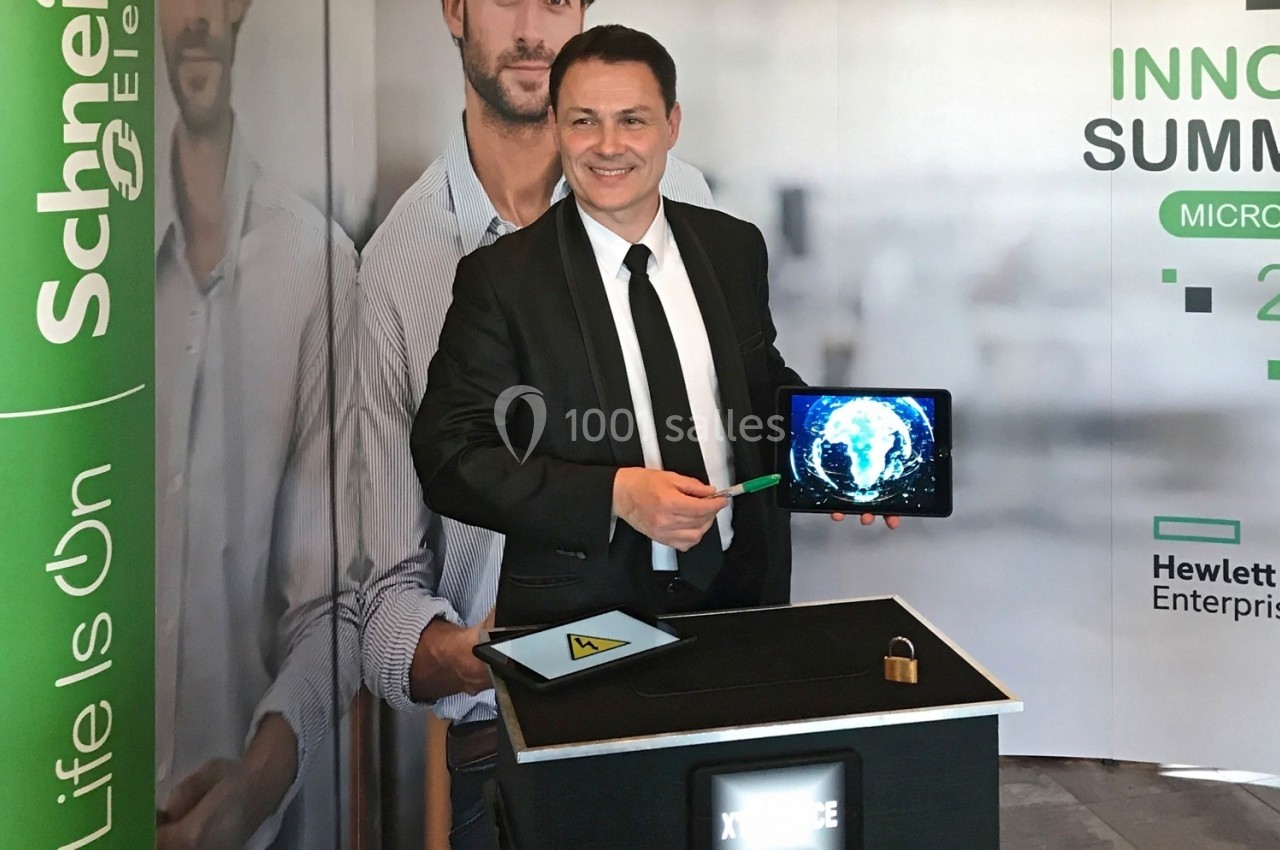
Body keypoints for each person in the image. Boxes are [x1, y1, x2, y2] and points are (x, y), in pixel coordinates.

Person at [357, 1, 713, 845]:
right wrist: (478, 652)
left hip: (686, 703)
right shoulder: (396, 266)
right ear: (454, 9)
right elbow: (380, 604)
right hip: (509, 741)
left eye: (554, 0)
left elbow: (738, 414)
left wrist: (830, 463)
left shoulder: (683, 198)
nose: (530, 28)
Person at [413, 25, 896, 634]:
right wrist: (615, 495)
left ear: (672, 125)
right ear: (555, 127)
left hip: (744, 598)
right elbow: (451, 457)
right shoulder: (501, 279)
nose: (608, 146)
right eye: (584, 121)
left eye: (632, 120)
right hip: (585, 623)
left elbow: (757, 387)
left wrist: (840, 464)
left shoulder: (733, 247)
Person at [154, 0, 360, 847]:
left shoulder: (316, 267)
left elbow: (332, 602)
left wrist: (254, 785)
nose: (197, 18)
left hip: (253, 829)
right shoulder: (64, 267)